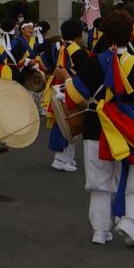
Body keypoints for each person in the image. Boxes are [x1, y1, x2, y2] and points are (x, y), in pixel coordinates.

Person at [57, 10, 134, 247]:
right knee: (131, 177)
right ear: (131, 34)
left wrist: (67, 79)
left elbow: (74, 97)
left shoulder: (94, 62)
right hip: (129, 126)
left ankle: (100, 231)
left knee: (99, 180)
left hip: (96, 125)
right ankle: (128, 222)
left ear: (104, 34)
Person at [44, 19, 88, 173]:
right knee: (69, 124)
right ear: (78, 35)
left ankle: (67, 158)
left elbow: (45, 63)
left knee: (64, 123)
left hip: (56, 89)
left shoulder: (56, 47)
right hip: (70, 90)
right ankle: (60, 159)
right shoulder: (79, 52)